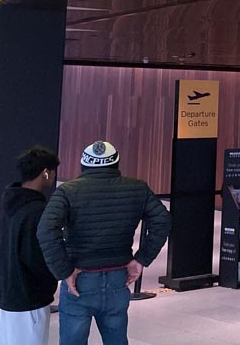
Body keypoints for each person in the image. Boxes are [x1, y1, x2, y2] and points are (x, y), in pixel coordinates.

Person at [37, 141, 171, 345]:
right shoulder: (137, 188)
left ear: (84, 165)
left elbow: (46, 230)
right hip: (119, 277)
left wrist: (64, 271)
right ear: (115, 164)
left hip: (80, 279)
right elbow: (163, 219)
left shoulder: (68, 191)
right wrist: (142, 258)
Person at [0, 146, 61, 345]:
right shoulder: (37, 211)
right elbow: (36, 256)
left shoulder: (11, 201)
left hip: (8, 292)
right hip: (29, 296)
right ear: (45, 173)